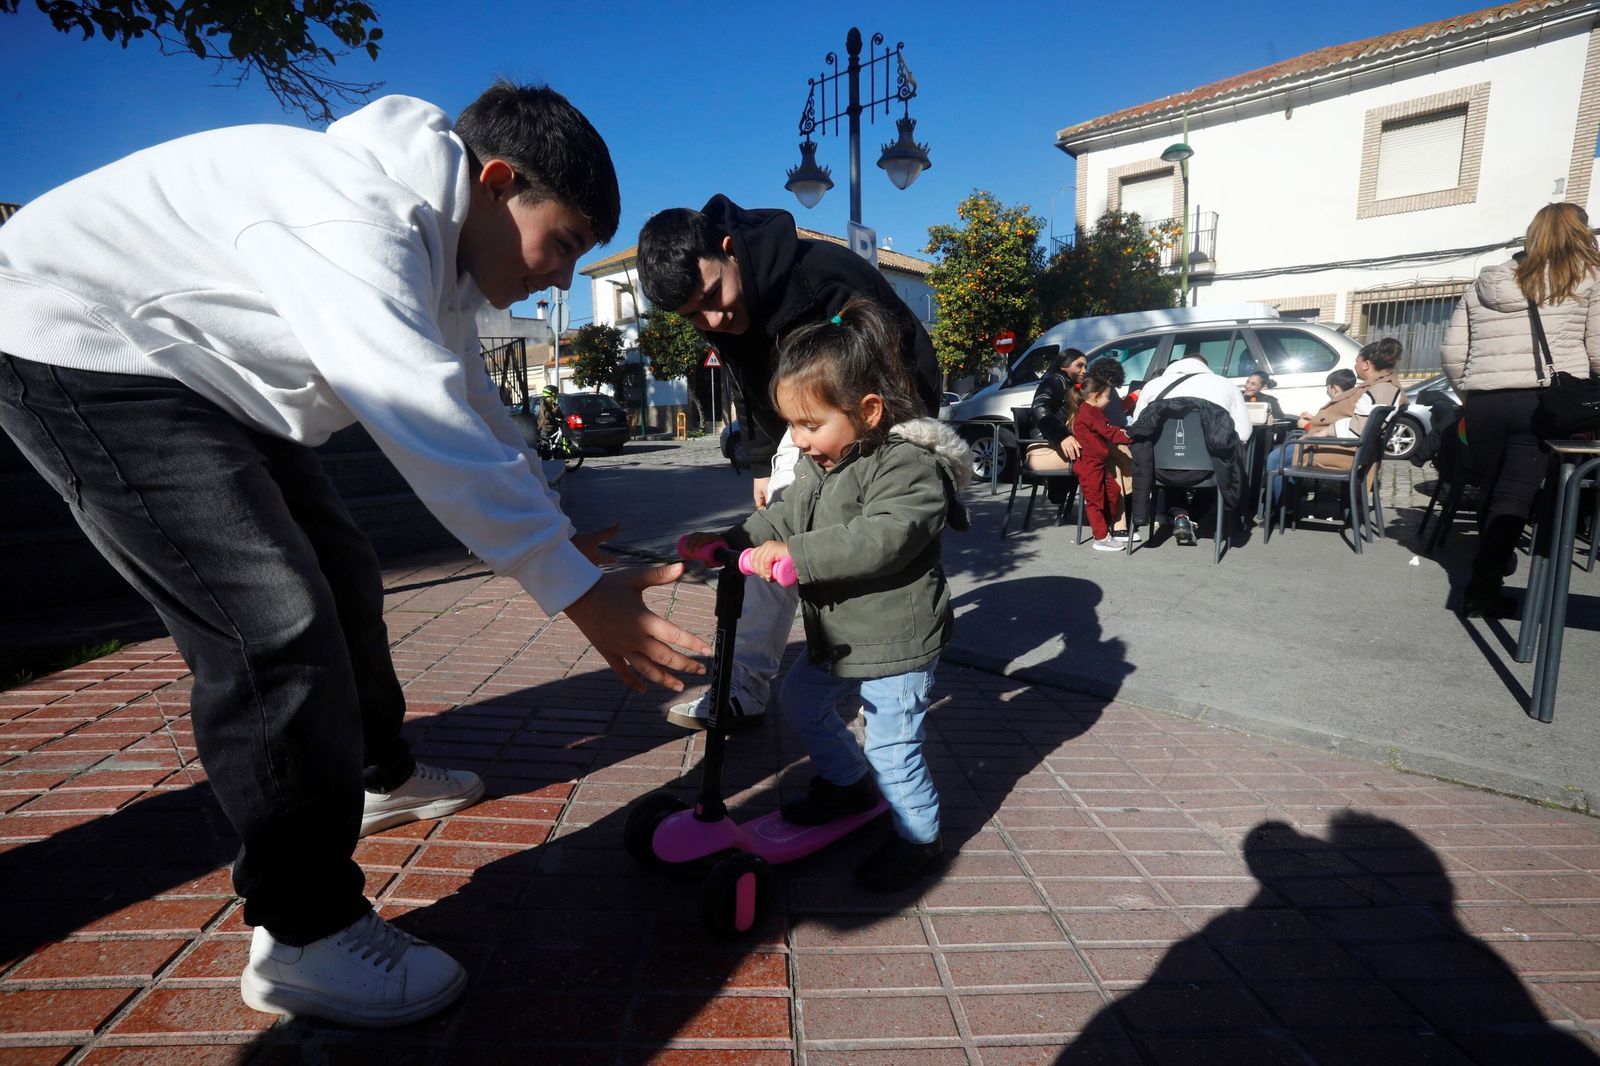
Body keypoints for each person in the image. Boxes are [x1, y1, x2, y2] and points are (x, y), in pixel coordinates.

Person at [0, 82, 711, 1028]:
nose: (560, 282)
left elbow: (472, 404)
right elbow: (411, 403)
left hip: (200, 375)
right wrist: (575, 589)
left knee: (341, 569)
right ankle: (305, 935)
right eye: (565, 245)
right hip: (79, 342)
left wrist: (548, 519)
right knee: (272, 619)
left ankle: (379, 775)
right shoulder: (360, 212)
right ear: (498, 184)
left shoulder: (437, 249)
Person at [682, 298, 969, 892]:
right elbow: (786, 513)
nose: (801, 440)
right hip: (841, 639)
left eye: (811, 425)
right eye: (792, 425)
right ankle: (846, 784)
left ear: (868, 411)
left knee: (891, 747)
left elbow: (884, 537)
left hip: (897, 639)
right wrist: (735, 539)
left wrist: (797, 557)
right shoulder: (822, 466)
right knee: (801, 703)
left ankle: (920, 841)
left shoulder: (909, 467)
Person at [637, 196, 940, 732]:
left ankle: (888, 672)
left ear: (728, 251)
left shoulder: (823, 275)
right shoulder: (719, 311)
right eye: (693, 316)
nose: (712, 319)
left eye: (713, 296)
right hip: (804, 421)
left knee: (874, 536)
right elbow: (752, 382)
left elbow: (903, 355)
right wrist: (763, 462)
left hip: (884, 411)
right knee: (766, 545)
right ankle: (742, 687)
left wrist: (898, 443)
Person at [1442, 201, 1600, 618]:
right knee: (1515, 494)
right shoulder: (1586, 278)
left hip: (1485, 402)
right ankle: (1482, 587)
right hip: (1543, 402)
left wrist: (1471, 393)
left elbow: (1454, 351)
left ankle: (1490, 564)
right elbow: (1599, 350)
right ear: (1580, 234)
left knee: (1492, 488)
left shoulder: (1486, 282)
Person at [1130, 346, 1252, 544]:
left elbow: (1138, 427)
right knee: (1218, 464)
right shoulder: (1225, 384)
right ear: (1205, 367)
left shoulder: (1152, 386)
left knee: (1173, 466)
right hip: (1208, 470)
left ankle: (1180, 516)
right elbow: (1244, 433)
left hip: (1158, 468)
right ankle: (1192, 517)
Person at [1268, 339, 1407, 508]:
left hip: (1345, 451)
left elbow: (1360, 430)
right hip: (1347, 448)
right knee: (1281, 451)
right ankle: (1290, 505)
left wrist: (1326, 432)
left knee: (1275, 458)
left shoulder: (1381, 389)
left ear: (1366, 364)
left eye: (1357, 362)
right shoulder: (1381, 385)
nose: (1355, 366)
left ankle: (1284, 510)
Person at [1074, 358, 1135, 552]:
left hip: (1097, 462)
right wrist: (1131, 437)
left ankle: (1105, 528)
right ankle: (1100, 536)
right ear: (1095, 396)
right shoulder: (1089, 413)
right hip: (1089, 463)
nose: (1109, 400)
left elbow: (1107, 429)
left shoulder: (1092, 411)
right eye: (1107, 397)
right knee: (1095, 500)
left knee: (1112, 490)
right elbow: (1109, 432)